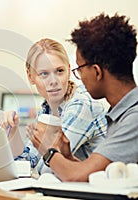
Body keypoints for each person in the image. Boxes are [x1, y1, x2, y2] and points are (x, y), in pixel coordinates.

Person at [27, 13, 138, 181]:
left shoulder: (133, 119)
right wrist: (68, 157)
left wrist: (50, 152)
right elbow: (98, 175)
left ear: (96, 72)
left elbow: (76, 176)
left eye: (79, 69)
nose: (78, 77)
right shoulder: (121, 115)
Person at [13, 38, 107, 174]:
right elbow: (29, 160)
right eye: (44, 74)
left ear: (69, 70)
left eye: (59, 71)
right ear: (30, 76)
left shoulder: (81, 105)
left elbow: (48, 169)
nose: (53, 81)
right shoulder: (48, 108)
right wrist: (11, 134)